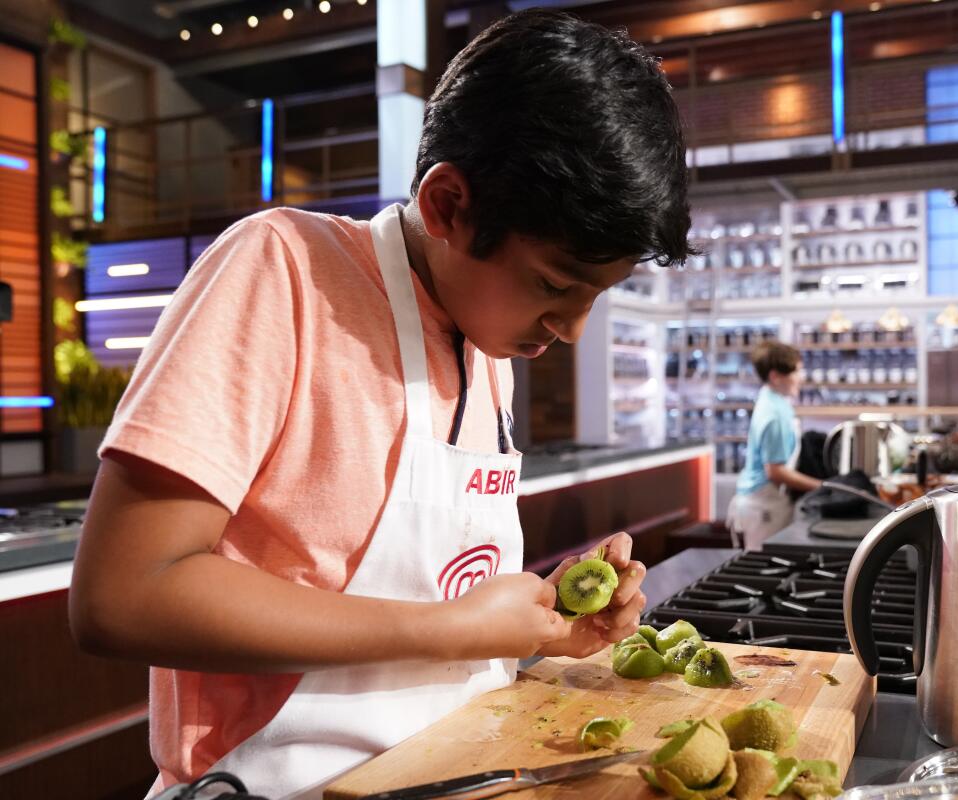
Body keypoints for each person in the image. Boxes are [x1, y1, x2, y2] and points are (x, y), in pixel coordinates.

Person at [68, 11, 691, 798]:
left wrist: (537, 616)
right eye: (555, 285)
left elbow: (419, 584)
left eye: (597, 295)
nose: (571, 328)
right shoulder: (281, 270)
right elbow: (124, 593)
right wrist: (453, 630)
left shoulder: (483, 341)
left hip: (457, 769)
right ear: (448, 206)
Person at [727, 341, 821, 551]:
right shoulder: (774, 414)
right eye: (796, 371)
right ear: (775, 376)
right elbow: (776, 472)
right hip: (764, 505)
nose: (801, 377)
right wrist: (822, 487)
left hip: (765, 501)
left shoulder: (773, 401)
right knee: (763, 565)